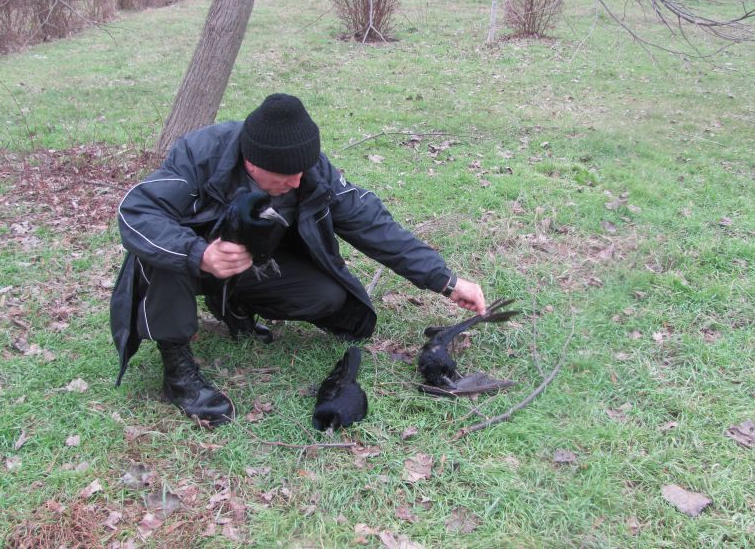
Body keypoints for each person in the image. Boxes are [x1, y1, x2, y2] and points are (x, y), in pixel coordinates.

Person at [110, 93, 486, 426]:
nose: (295, 182)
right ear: (252, 162)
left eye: (301, 172)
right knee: (162, 253)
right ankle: (178, 374)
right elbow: (138, 213)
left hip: (254, 265)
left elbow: (372, 223)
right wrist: (200, 254)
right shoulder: (200, 155)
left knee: (327, 296)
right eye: (285, 175)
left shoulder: (308, 170)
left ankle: (235, 303)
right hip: (192, 267)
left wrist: (446, 281)